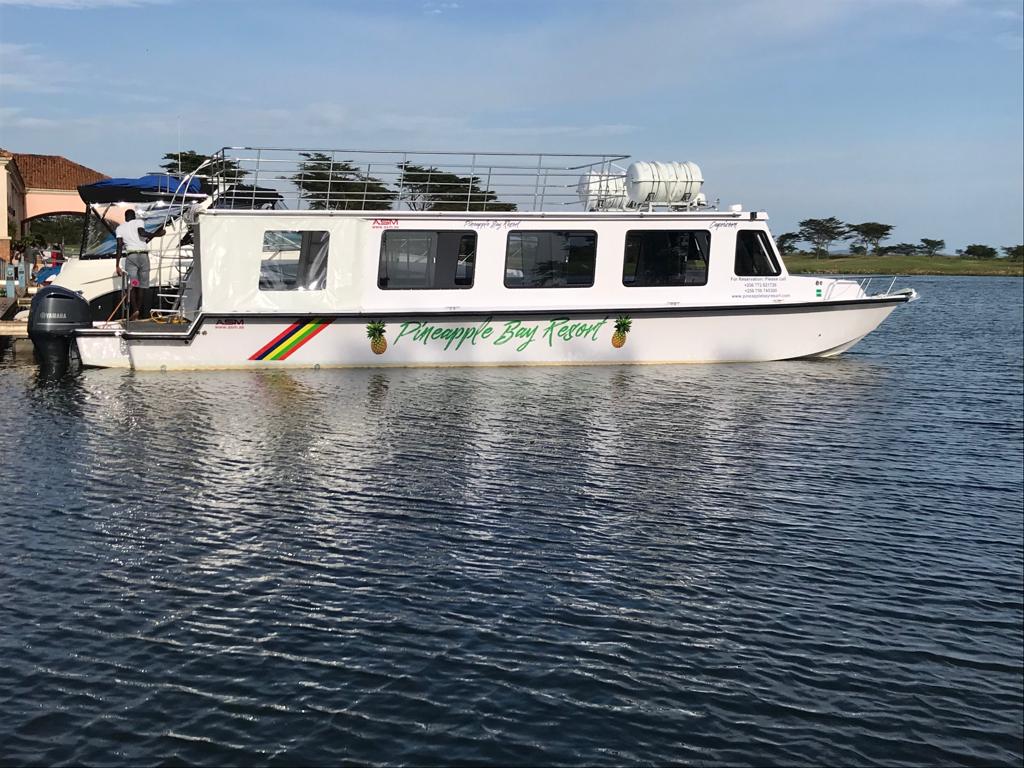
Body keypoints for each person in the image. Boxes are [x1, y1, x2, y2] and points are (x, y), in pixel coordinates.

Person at [115, 209, 164, 320]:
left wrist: (117, 265)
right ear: (134, 216)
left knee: (133, 284)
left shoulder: (120, 228)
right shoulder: (138, 222)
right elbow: (142, 234)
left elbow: (119, 246)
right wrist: (158, 234)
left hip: (131, 258)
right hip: (143, 257)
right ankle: (138, 312)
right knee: (141, 286)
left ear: (125, 217)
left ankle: (135, 310)